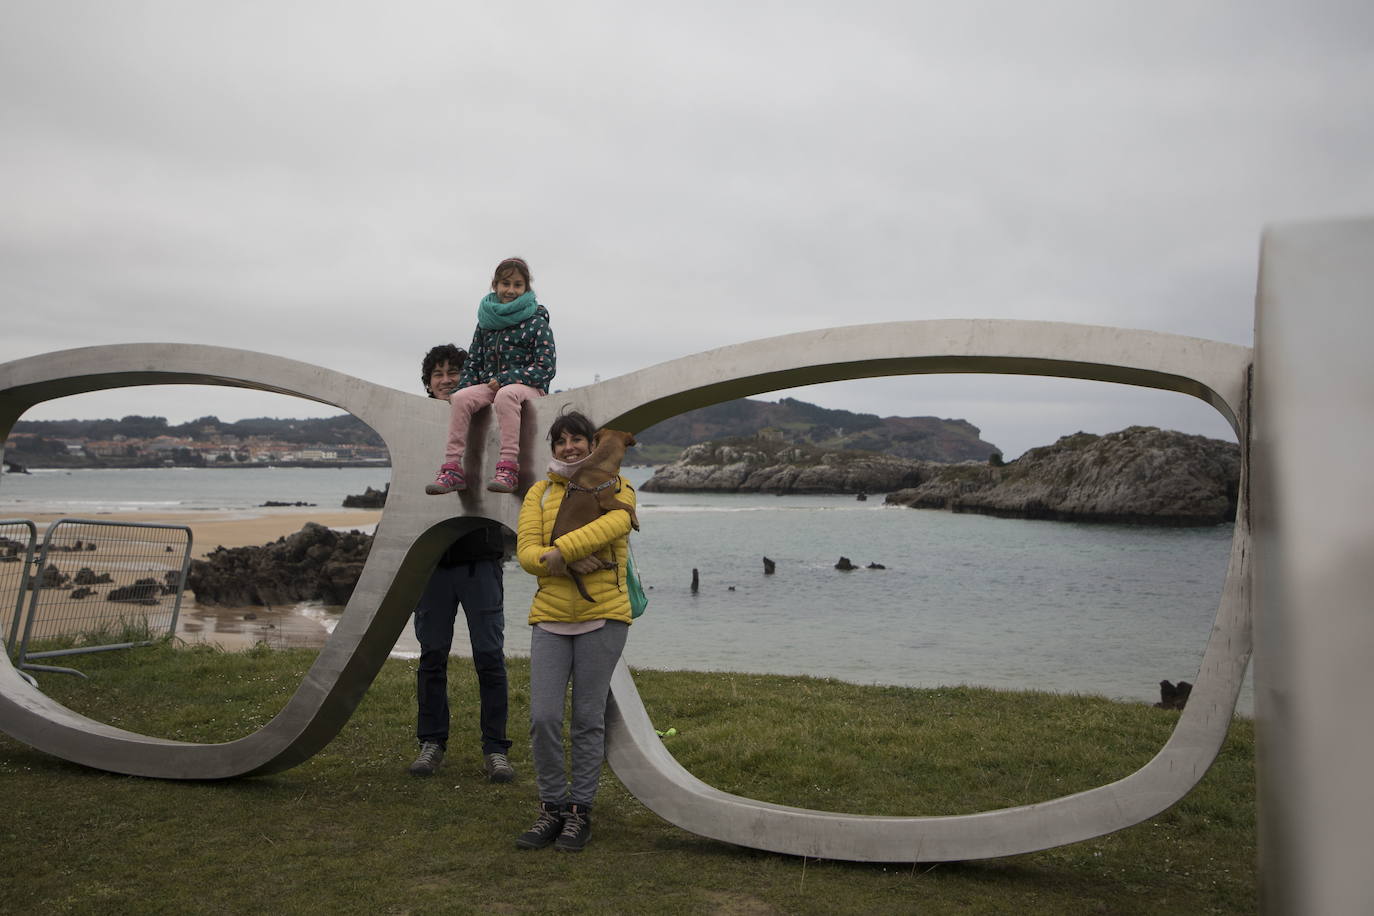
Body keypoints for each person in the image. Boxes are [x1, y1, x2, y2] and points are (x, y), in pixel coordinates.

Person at [513, 410, 636, 852]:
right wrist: (559, 560)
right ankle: (551, 808)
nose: (569, 447)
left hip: (603, 615)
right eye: (560, 441)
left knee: (587, 720)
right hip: (550, 617)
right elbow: (526, 552)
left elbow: (617, 523)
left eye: (577, 439)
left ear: (593, 443)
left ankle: (579, 814)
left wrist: (560, 552)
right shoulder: (539, 493)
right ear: (552, 449)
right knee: (543, 718)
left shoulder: (616, 486)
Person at [408, 343, 515, 783]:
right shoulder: (415, 428)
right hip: (432, 561)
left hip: (480, 557)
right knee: (432, 655)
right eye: (439, 373)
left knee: (489, 657)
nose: (447, 378)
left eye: (456, 371)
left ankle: (496, 750)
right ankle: (432, 742)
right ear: (427, 382)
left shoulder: (487, 418)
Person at [425, 257, 556, 496]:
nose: (511, 290)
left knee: (505, 395)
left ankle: (508, 468)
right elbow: (474, 362)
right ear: (494, 285)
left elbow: (546, 368)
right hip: (491, 386)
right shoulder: (486, 322)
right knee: (462, 397)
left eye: (518, 285)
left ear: (527, 288)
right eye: (506, 283)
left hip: (528, 387)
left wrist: (508, 378)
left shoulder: (536, 322)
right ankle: (452, 469)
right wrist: (460, 391)